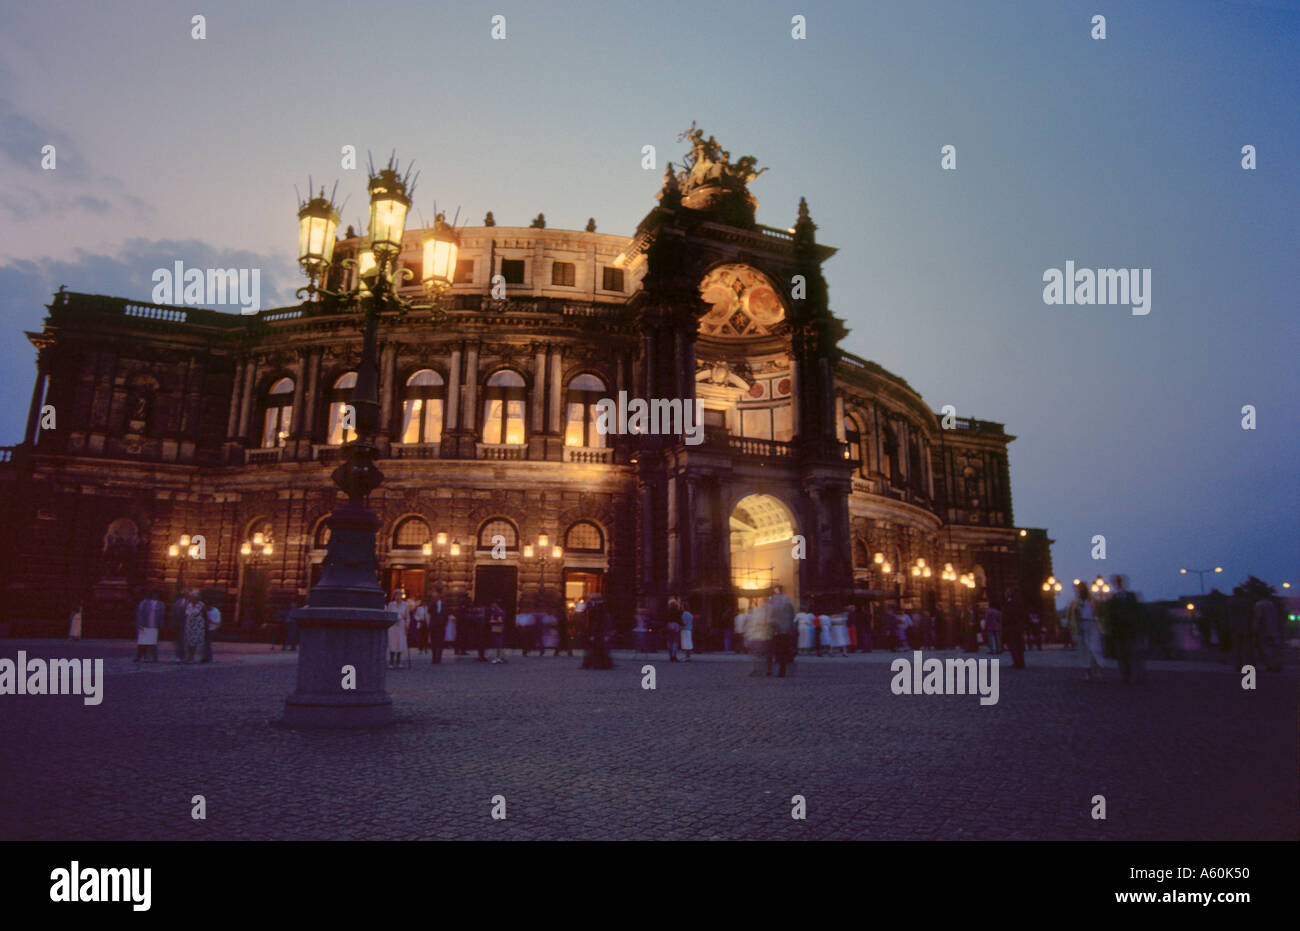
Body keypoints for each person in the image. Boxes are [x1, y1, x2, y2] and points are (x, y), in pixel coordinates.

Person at [1105, 575, 1145, 684]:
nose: (1118, 584)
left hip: (1131, 630)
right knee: (1122, 655)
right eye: (1116, 582)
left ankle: (1134, 675)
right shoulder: (1113, 598)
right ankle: (1126, 675)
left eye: (1119, 582)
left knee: (1132, 654)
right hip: (1119, 631)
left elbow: (1139, 612)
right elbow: (1110, 615)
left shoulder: (1132, 596)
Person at [1069, 581, 1102, 681]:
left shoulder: (1092, 601)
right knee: (1084, 651)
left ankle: (1097, 672)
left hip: (1092, 625)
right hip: (1081, 626)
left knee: (1094, 650)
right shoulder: (1076, 602)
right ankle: (1088, 673)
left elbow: (1098, 613)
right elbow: (1072, 616)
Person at [768, 586, 797, 676]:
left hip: (778, 632)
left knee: (779, 649)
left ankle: (779, 666)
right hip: (786, 632)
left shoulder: (775, 607)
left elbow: (772, 619)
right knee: (784, 649)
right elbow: (792, 619)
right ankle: (782, 666)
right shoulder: (789, 606)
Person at [580, 595, 614, 669]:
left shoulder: (599, 610)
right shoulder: (595, 609)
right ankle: (597, 664)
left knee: (597, 649)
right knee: (595, 649)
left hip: (598, 632)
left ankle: (597, 664)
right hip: (596, 632)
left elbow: (601, 622)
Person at [133, 589, 165, 663]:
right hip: (144, 625)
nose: (155, 596)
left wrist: (160, 624)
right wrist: (139, 623)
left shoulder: (161, 604)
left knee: (153, 643)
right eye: (153, 594)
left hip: (154, 626)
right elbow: (139, 613)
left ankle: (154, 658)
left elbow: (161, 615)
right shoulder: (144, 603)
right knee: (142, 642)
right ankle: (139, 657)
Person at [1001, 589, 1027, 669]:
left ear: (1007, 595)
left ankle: (1017, 662)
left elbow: (1006, 617)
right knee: (1019, 646)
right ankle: (1021, 662)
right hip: (1018, 627)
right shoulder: (1018, 604)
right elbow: (1023, 615)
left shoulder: (1008, 605)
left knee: (1013, 646)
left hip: (1011, 628)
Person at [747, 597, 772, 677]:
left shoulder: (758, 610)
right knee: (767, 654)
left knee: (755, 654)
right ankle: (767, 670)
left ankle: (755, 669)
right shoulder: (768, 610)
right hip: (764, 635)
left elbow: (751, 624)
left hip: (758, 635)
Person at [386, 590, 409, 668]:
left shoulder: (405, 605)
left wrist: (407, 624)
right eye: (396, 595)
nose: (398, 597)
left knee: (400, 642)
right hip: (393, 626)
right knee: (392, 642)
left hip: (401, 625)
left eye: (399, 595)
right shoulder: (391, 604)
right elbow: (388, 615)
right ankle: (391, 661)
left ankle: (398, 661)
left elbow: (407, 616)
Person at [182, 591, 206, 664]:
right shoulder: (188, 605)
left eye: (194, 597)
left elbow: (204, 615)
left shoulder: (201, 605)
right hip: (189, 625)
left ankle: (192, 657)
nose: (192, 599)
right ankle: (188, 657)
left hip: (197, 625)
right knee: (188, 642)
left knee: (194, 642)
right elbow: (186, 614)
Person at [200, 592, 222, 663]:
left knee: (207, 644)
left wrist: (210, 621)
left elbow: (217, 622)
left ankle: (208, 657)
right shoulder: (206, 611)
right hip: (206, 628)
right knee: (205, 644)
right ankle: (205, 657)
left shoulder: (215, 612)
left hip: (212, 629)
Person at [428, 588, 447, 663]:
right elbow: (429, 611)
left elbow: (446, 614)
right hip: (433, 626)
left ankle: (439, 657)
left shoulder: (444, 603)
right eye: (433, 596)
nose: (435, 598)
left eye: (436, 596)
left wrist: (444, 623)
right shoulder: (432, 603)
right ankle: (434, 657)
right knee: (433, 643)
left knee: (440, 642)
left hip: (441, 626)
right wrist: (433, 603)